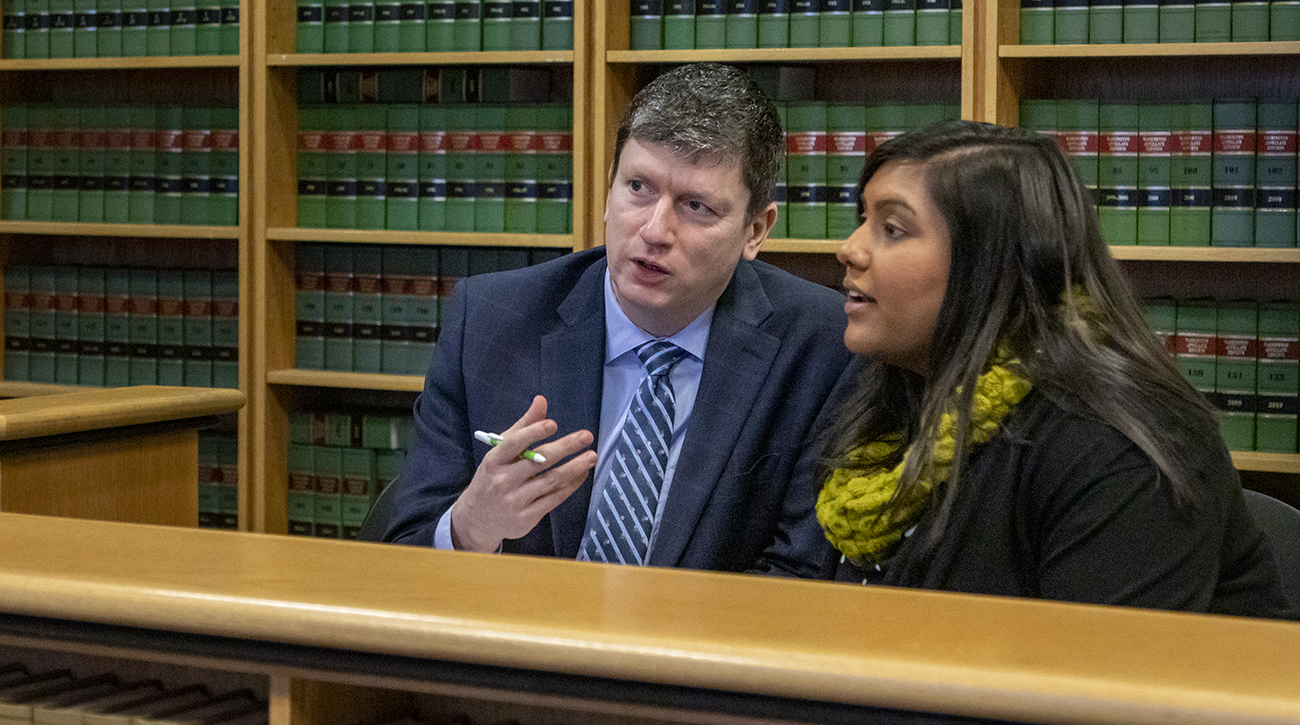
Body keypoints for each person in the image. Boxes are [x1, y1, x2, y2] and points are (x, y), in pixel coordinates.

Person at [381, 63, 854, 575]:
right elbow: (403, 557)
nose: (655, 230)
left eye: (695, 206)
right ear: (608, 190)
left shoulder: (823, 347)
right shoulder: (492, 321)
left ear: (755, 230)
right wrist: (472, 525)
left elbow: (802, 578)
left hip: (699, 648)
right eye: (638, 187)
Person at [815, 119, 1298, 618]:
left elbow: (1104, 683)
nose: (849, 248)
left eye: (892, 229)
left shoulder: (1117, 446)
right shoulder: (889, 408)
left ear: (993, 262)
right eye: (862, 219)